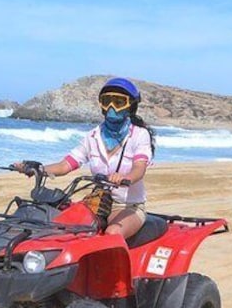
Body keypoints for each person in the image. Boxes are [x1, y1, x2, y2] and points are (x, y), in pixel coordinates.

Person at [13, 77, 155, 239]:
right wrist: (37, 169)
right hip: (98, 202)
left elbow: (139, 168)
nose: (111, 107)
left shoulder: (139, 135)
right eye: (106, 101)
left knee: (112, 233)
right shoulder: (93, 136)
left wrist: (125, 177)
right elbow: (66, 165)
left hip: (127, 205)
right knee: (64, 228)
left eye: (119, 102)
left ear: (131, 106)